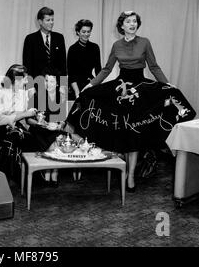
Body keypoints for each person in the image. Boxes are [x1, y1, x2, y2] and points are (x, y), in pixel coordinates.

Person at [67, 10, 196, 193]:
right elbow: (106, 69)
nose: (132, 24)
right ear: (122, 26)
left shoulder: (145, 42)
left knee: (134, 132)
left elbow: (154, 66)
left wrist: (167, 83)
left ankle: (131, 175)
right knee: (123, 129)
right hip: (121, 88)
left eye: (134, 21)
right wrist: (91, 85)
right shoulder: (116, 45)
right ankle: (123, 169)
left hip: (141, 88)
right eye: (128, 21)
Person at [27, 66, 84, 186]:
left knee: (61, 137)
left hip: (53, 131)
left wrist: (58, 126)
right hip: (38, 131)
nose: (48, 84)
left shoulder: (61, 97)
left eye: (52, 81)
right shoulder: (37, 96)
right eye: (46, 80)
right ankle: (48, 172)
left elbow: (63, 120)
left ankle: (54, 172)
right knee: (56, 139)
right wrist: (40, 123)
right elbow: (28, 120)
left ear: (57, 83)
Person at [0, 64, 38, 178]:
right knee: (13, 138)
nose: (26, 82)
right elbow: (1, 120)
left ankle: (28, 177)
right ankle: (4, 177)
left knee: (33, 138)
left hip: (15, 127)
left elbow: (17, 115)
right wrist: (25, 113)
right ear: (16, 80)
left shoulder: (21, 94)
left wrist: (30, 105)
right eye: (24, 79)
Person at [22, 7, 67, 85]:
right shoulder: (30, 39)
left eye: (52, 20)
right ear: (40, 21)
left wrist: (63, 86)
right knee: (41, 97)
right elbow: (27, 65)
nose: (51, 22)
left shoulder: (59, 38)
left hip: (56, 84)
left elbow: (63, 64)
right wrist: (30, 86)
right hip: (38, 84)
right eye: (48, 20)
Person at [67, 19, 101, 99]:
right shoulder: (72, 49)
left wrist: (99, 87)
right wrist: (77, 93)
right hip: (75, 86)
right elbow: (71, 74)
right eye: (84, 32)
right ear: (78, 32)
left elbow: (98, 70)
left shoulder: (95, 47)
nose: (86, 34)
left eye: (88, 31)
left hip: (90, 83)